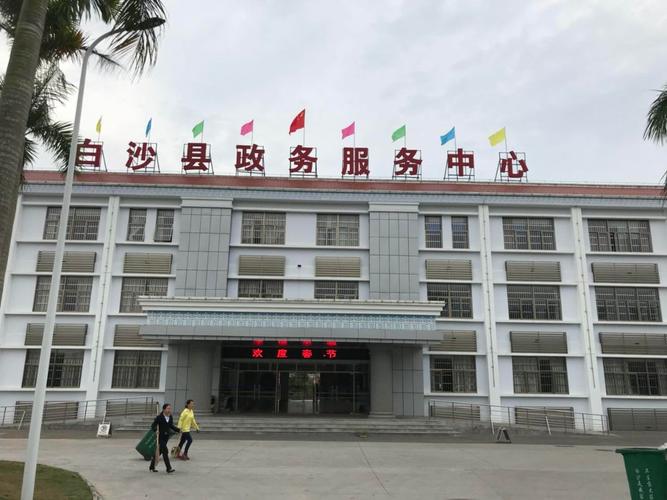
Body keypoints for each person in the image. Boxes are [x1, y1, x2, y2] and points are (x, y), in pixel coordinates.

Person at [149, 403, 180, 473]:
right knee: (165, 451)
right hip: (160, 437)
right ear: (164, 409)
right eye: (168, 408)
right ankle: (168, 468)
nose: (169, 410)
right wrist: (156, 430)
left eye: (170, 408)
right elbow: (153, 426)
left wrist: (178, 430)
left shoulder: (170, 417)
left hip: (166, 437)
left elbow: (171, 426)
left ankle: (151, 467)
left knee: (159, 452)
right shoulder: (159, 417)